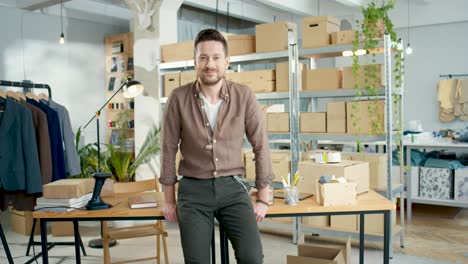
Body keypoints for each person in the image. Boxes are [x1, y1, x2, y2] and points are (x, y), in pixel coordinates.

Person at [160, 28, 274, 264]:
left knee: (252, 258)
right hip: (193, 191)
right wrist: (169, 199)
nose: (209, 64)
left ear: (227, 61)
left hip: (233, 189)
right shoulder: (178, 98)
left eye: (215, 58)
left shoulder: (245, 96)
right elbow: (168, 148)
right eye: (203, 58)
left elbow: (260, 145)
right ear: (195, 62)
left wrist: (263, 196)